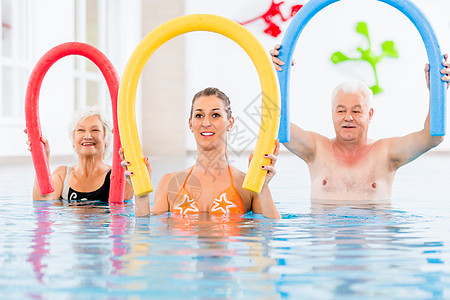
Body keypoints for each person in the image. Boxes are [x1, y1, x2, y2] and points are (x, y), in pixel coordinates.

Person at [270, 44, 450, 200]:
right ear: (332, 113)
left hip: (373, 235)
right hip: (325, 235)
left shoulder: (386, 153)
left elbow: (433, 137)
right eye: (341, 111)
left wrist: (436, 90)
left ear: (370, 114)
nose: (348, 117)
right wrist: (278, 76)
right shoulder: (316, 149)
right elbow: (274, 123)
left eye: (356, 111)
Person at [122, 87, 281, 218]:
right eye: (199, 115)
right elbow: (145, 230)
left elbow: (270, 231)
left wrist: (264, 187)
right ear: (191, 123)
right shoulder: (169, 182)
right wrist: (140, 195)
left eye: (215, 115)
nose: (206, 123)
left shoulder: (247, 184)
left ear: (230, 123)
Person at [26, 106, 134, 202]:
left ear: (107, 140)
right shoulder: (62, 176)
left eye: (95, 130)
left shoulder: (117, 177)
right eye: (81, 130)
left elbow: (125, 218)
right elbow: (42, 204)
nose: (87, 136)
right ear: (73, 140)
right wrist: (42, 159)